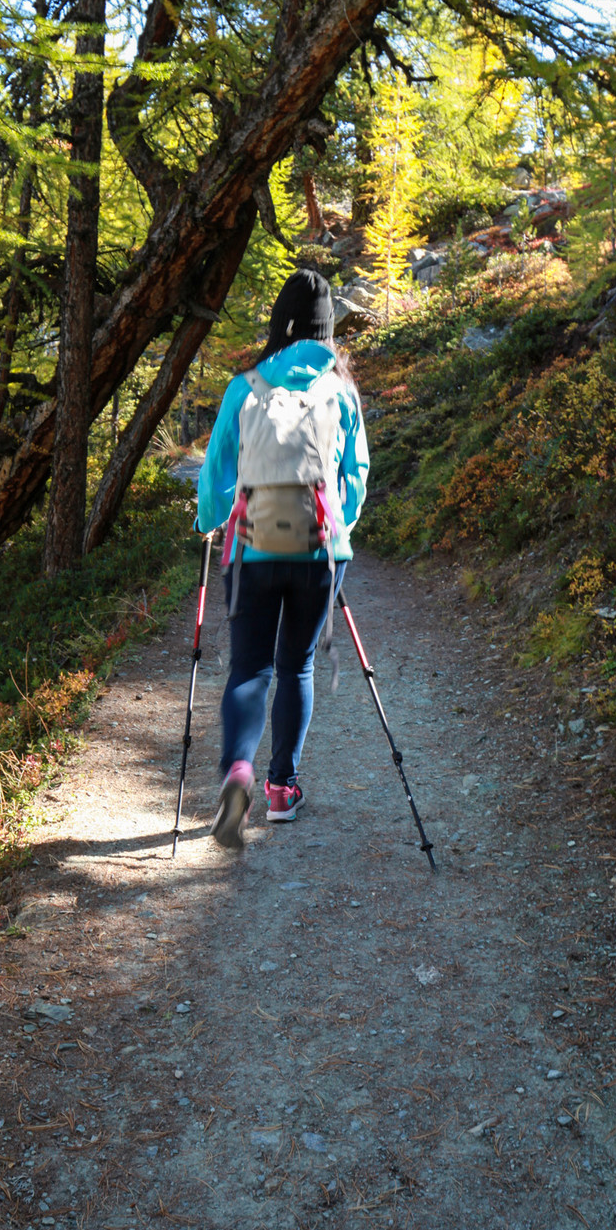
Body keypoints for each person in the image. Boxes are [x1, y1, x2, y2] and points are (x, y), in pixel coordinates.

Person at [196, 268, 369, 849]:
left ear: (278, 322)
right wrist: (341, 527)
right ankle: (281, 790)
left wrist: (208, 520)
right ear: (326, 332)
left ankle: (237, 774)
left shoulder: (243, 387)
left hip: (252, 549)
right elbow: (357, 475)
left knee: (249, 667)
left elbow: (218, 470)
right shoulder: (340, 390)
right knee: (297, 665)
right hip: (321, 551)